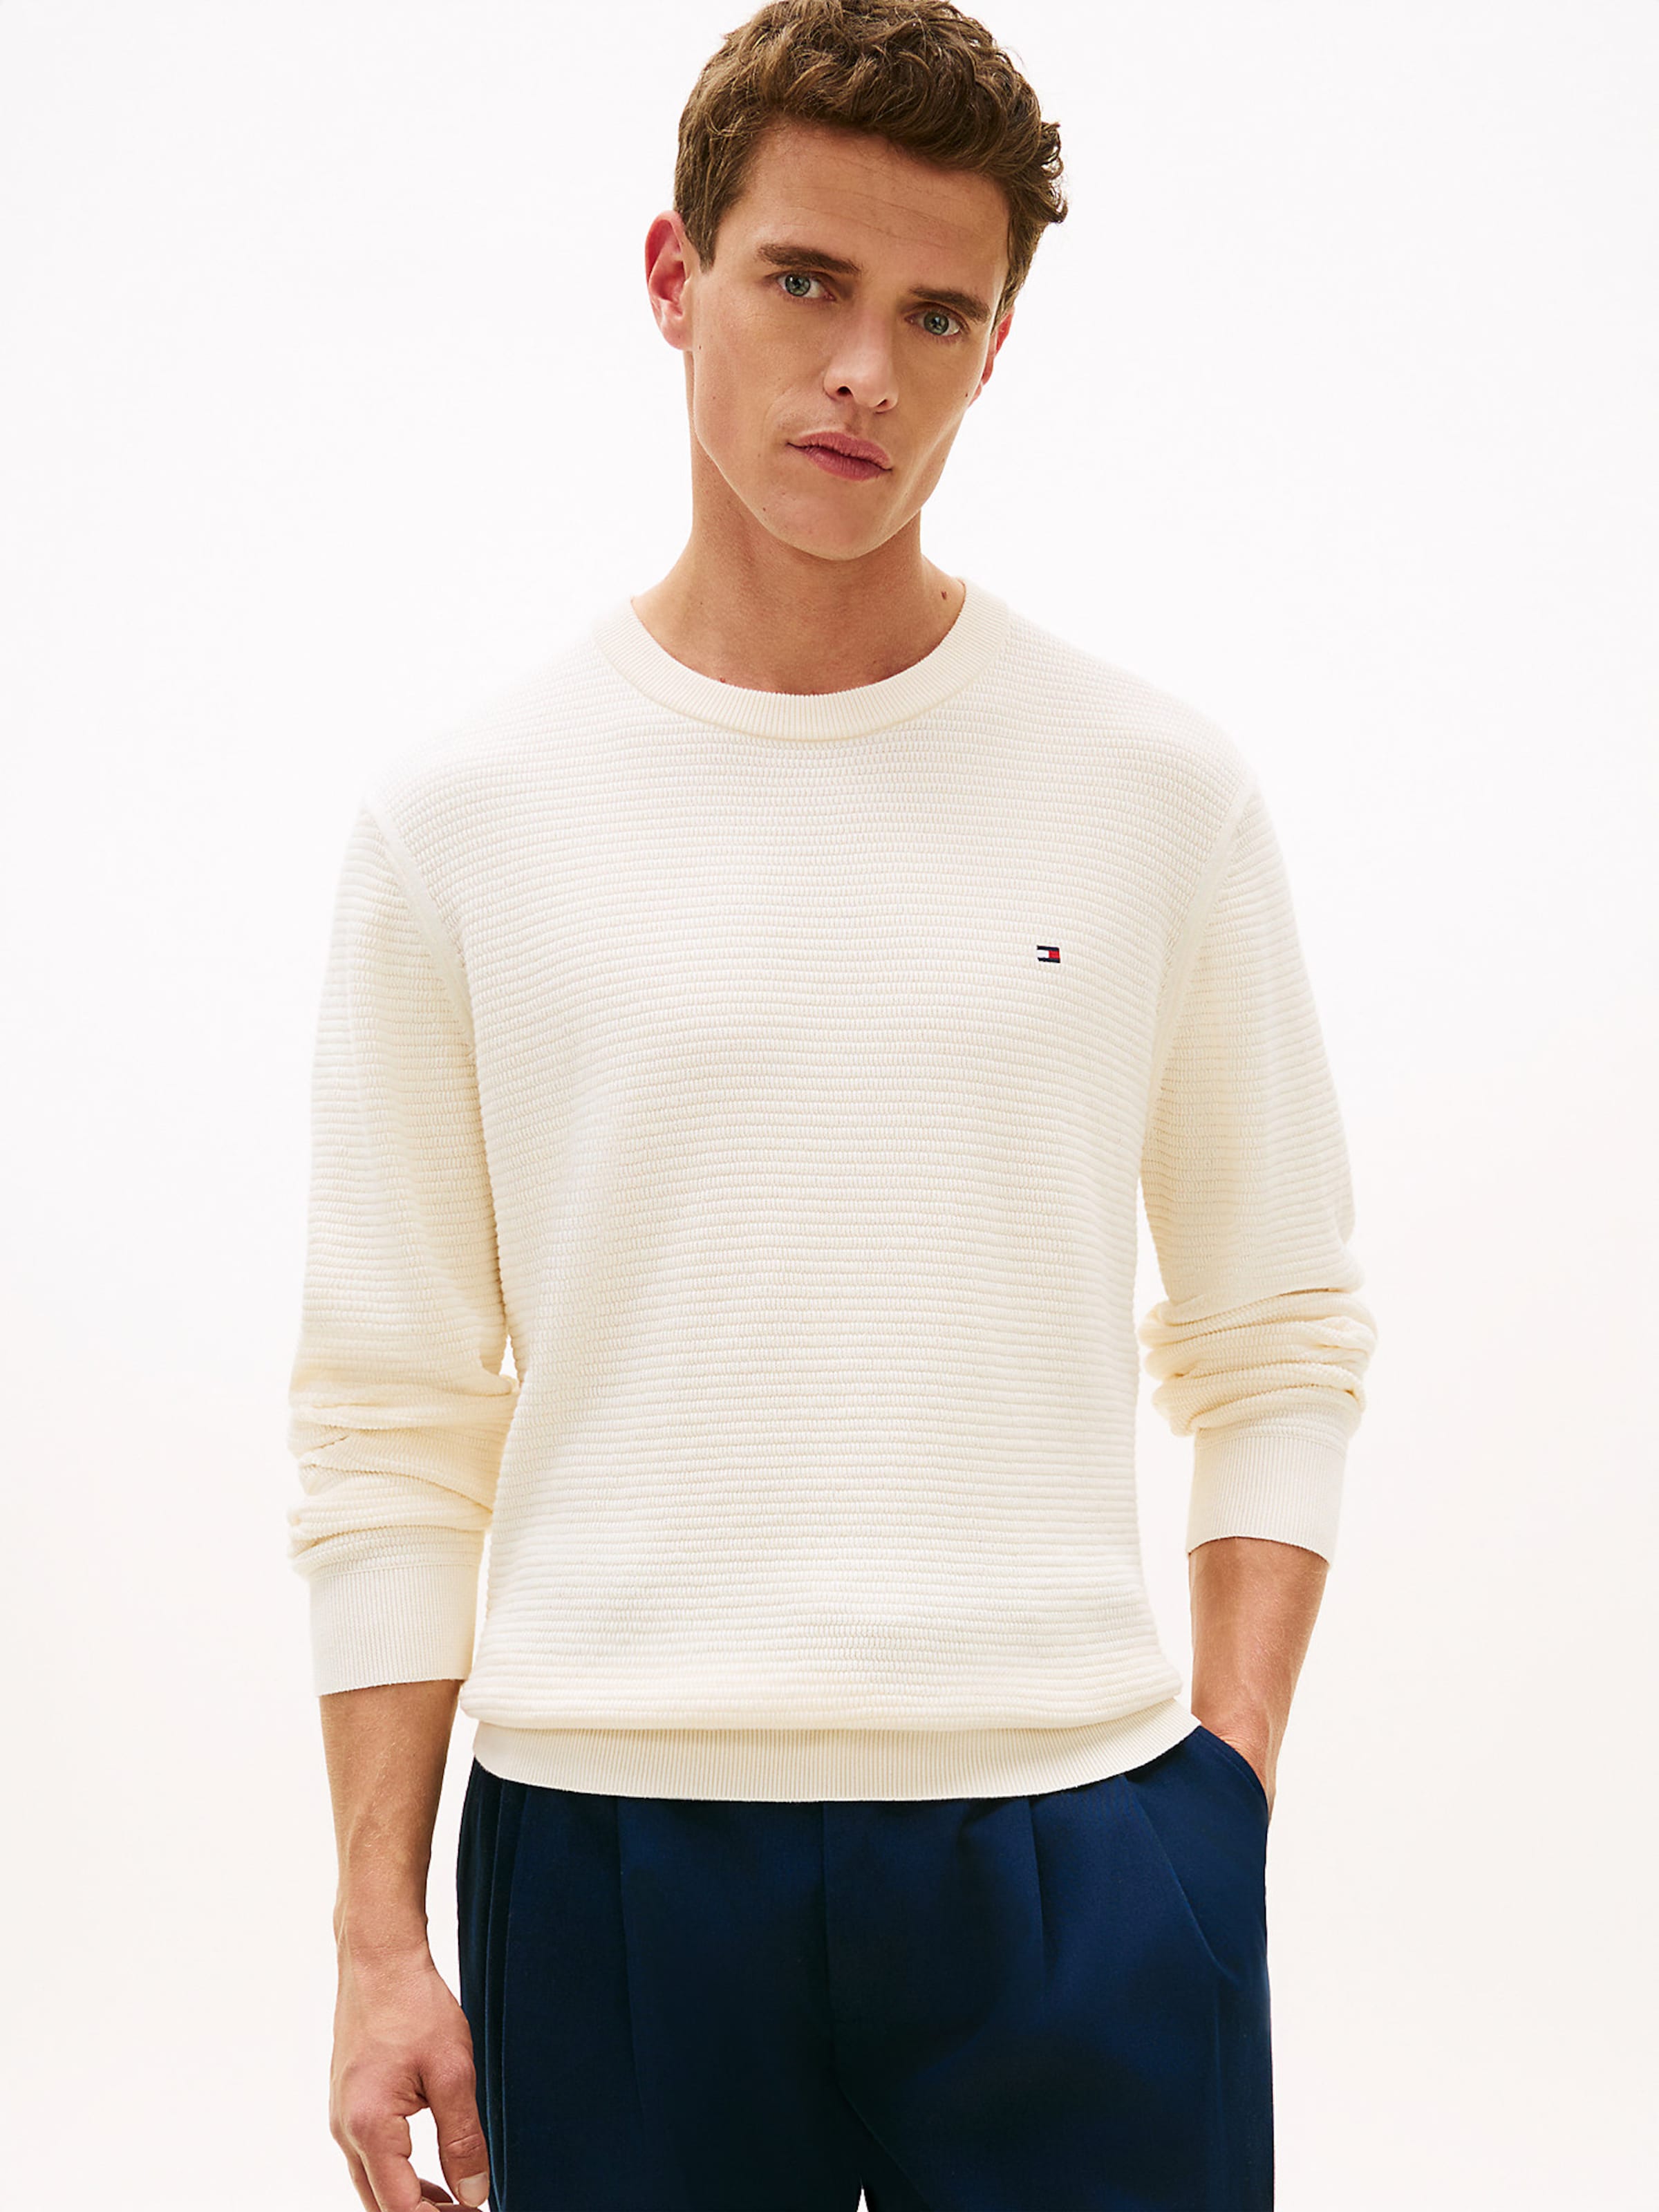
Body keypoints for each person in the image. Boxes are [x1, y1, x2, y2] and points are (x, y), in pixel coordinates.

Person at [285, 3, 1378, 2206]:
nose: (866, 369)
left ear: (996, 347)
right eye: (806, 281)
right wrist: (379, 1933)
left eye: (936, 313)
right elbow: (390, 1412)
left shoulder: (1152, 793)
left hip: (1076, 1840)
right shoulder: (465, 822)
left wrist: (1223, 1793)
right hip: (614, 1854)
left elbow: (1279, 1328)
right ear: (675, 277)